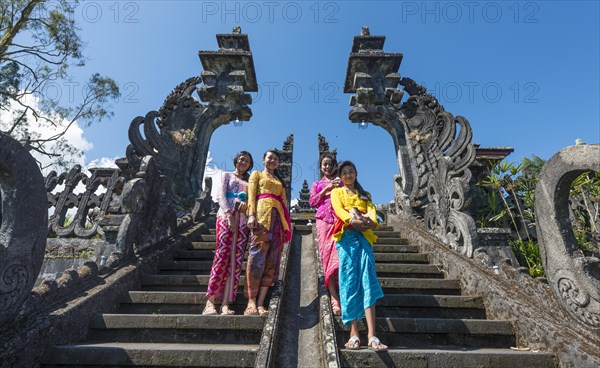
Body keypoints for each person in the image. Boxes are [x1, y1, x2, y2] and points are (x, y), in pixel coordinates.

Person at [330, 161, 387, 351]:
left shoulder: (365, 195)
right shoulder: (336, 192)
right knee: (349, 282)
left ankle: (372, 335)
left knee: (368, 279)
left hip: (364, 238)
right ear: (340, 176)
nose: (348, 175)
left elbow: (371, 211)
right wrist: (352, 219)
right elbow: (338, 210)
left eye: (351, 172)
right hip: (346, 238)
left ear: (356, 173)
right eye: (344, 173)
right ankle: (353, 333)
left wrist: (369, 220)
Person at [203, 151, 253, 316]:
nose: (243, 161)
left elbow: (251, 202)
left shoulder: (250, 182)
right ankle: (210, 303)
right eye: (241, 158)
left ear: (250, 164)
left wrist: (247, 210)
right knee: (221, 256)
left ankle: (225, 303)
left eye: (247, 160)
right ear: (236, 160)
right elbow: (220, 195)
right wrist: (229, 215)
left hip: (243, 222)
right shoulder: (226, 175)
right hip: (226, 217)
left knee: (236, 261)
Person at [244, 149, 292, 316]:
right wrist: (251, 215)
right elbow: (251, 196)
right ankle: (250, 300)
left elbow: (284, 204)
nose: (272, 161)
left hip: (278, 220)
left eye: (276, 159)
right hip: (261, 218)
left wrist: (286, 225)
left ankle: (261, 302)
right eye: (270, 157)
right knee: (256, 258)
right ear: (263, 159)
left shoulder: (280, 181)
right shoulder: (256, 175)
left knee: (272, 260)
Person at [309, 153, 342, 316]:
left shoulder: (341, 182)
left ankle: (342, 294)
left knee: (340, 257)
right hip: (323, 220)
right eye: (324, 165)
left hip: (339, 220)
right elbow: (312, 202)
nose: (327, 167)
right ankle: (334, 297)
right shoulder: (316, 184)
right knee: (327, 257)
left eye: (330, 164)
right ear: (321, 167)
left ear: (335, 166)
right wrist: (326, 190)